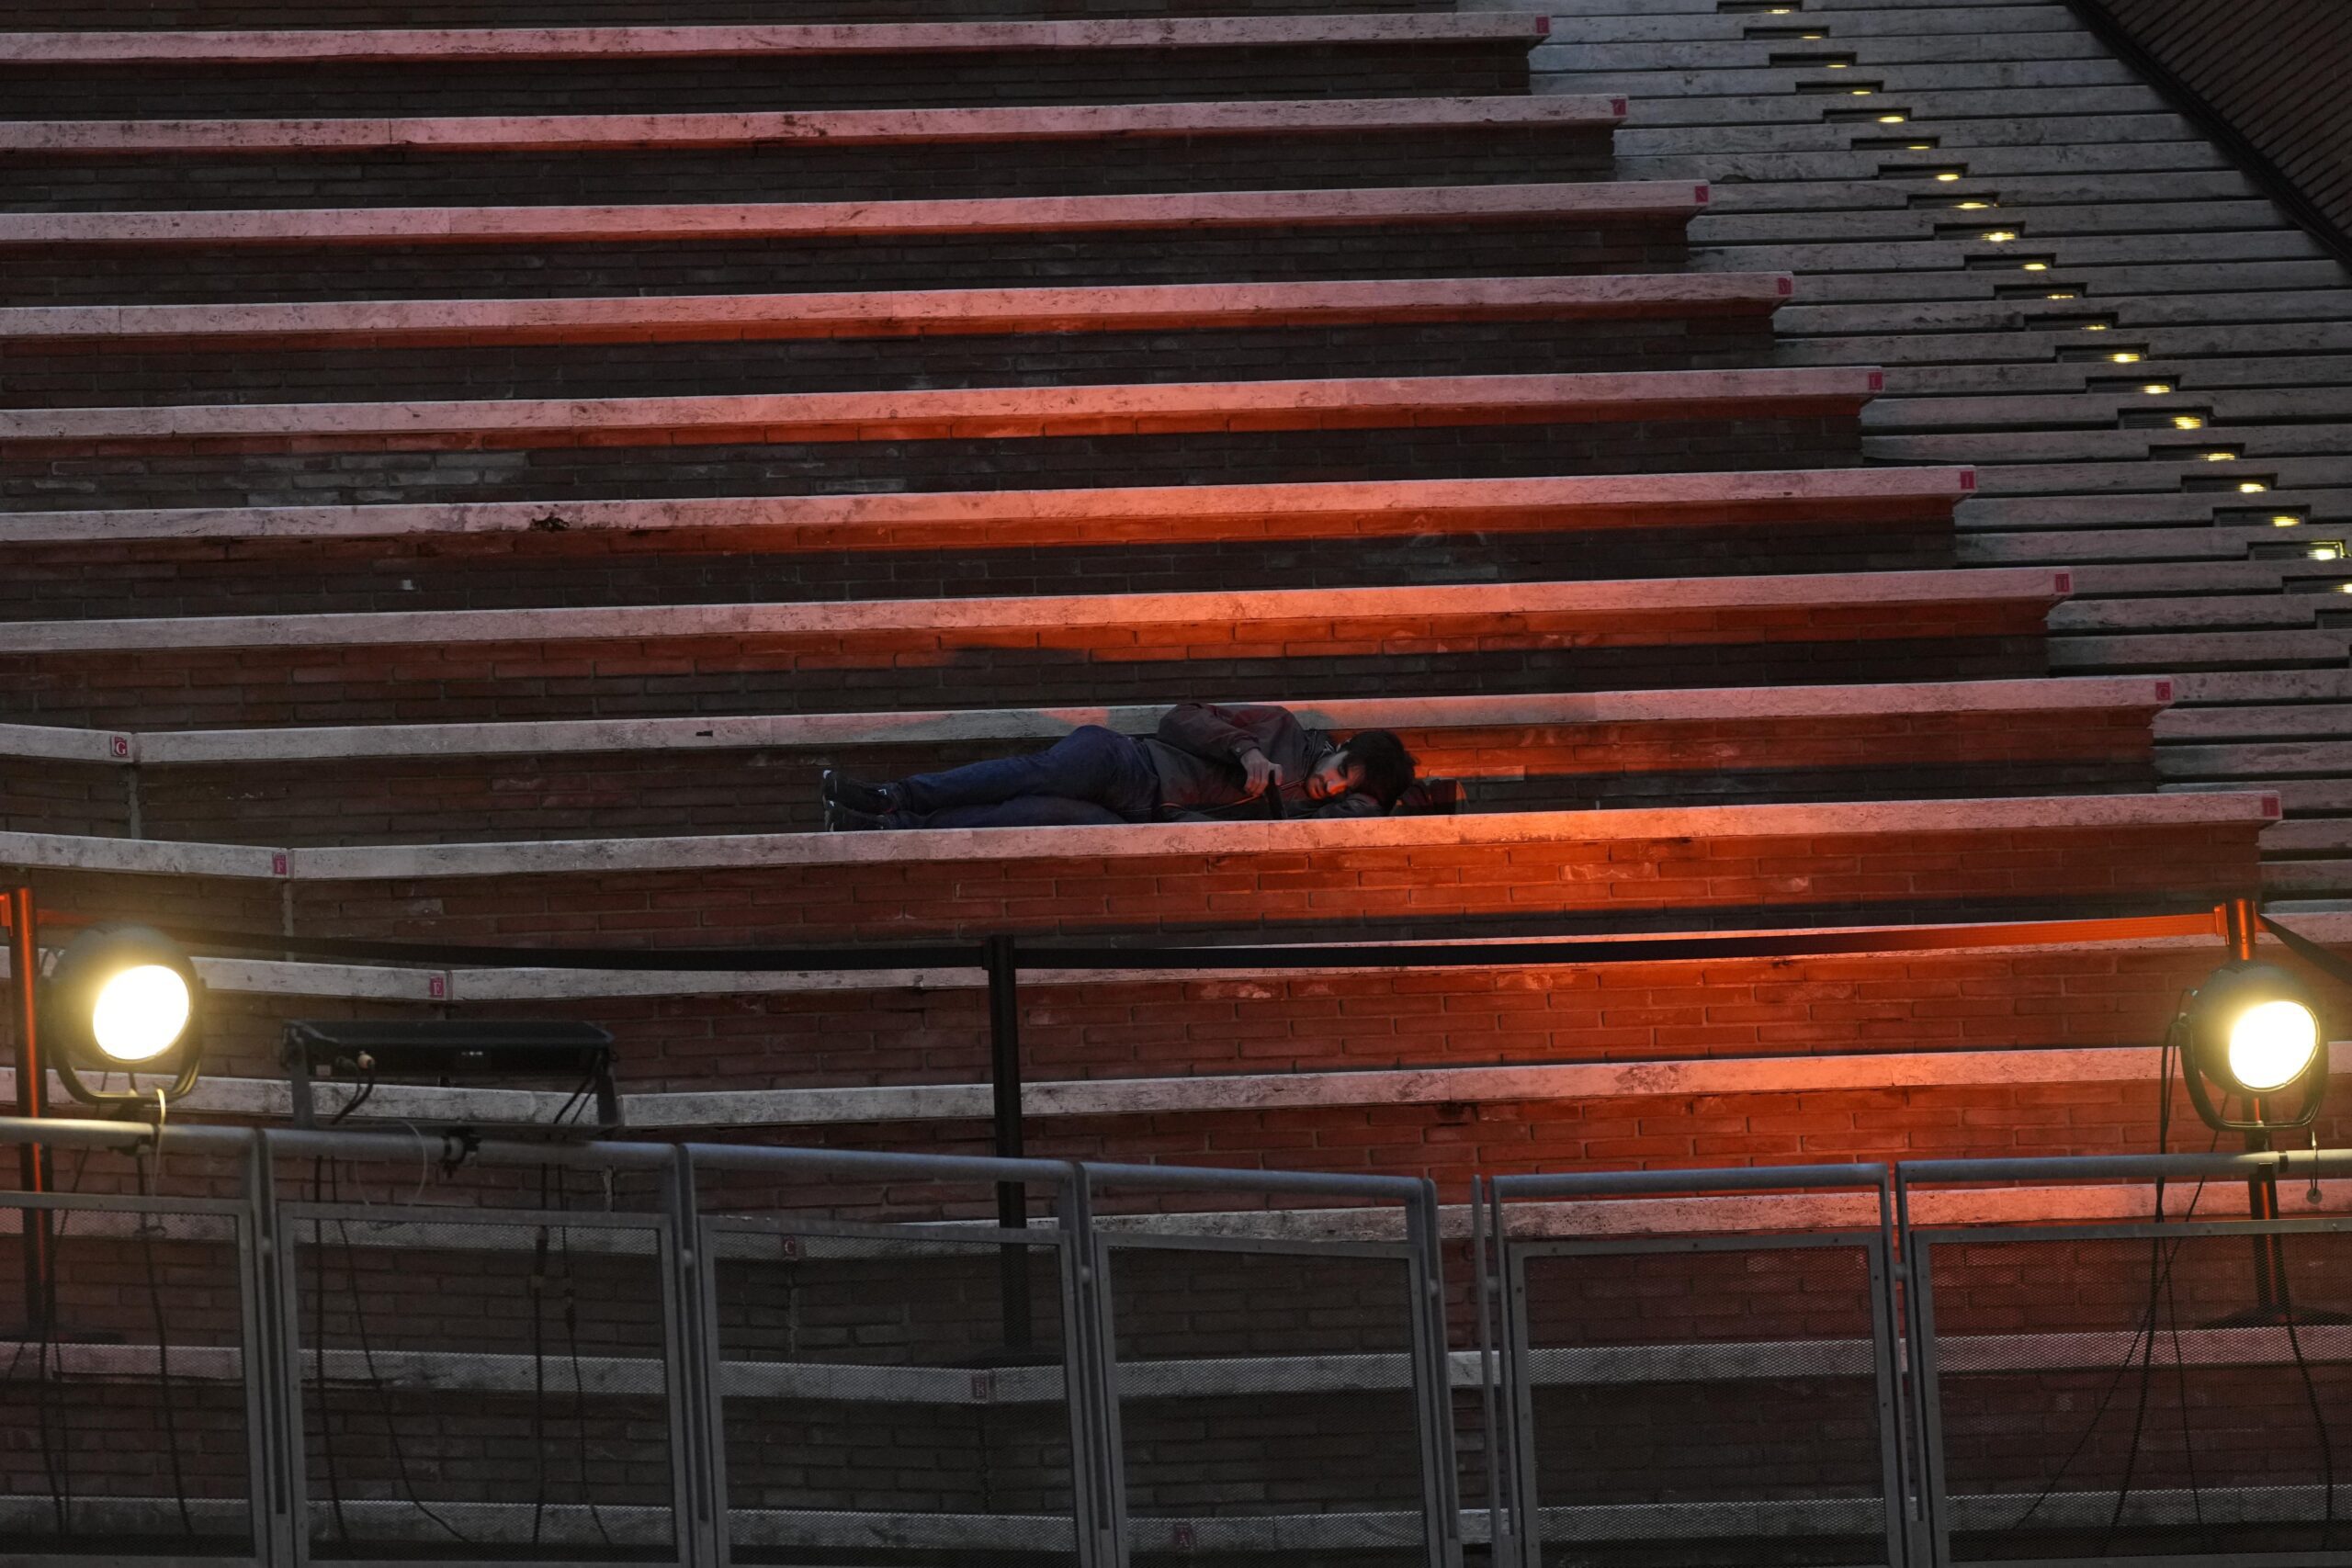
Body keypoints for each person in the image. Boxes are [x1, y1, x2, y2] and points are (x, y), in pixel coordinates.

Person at [821, 703, 1417, 830]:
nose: (1330, 782)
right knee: (1041, 775)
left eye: (1345, 788)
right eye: (1341, 767)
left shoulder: (1305, 814)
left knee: (1027, 815)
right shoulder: (1281, 728)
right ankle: (891, 794)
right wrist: (1246, 750)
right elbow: (1180, 717)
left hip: (1136, 817)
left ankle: (890, 829)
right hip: (1127, 763)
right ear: (1340, 748)